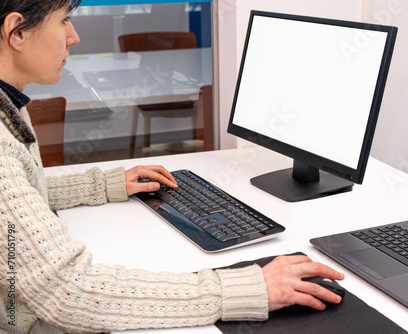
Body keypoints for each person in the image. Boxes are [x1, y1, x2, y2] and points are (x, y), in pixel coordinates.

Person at [0, 1, 345, 333]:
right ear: (17, 32)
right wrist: (244, 289)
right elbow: (70, 294)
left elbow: (19, 196)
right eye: (63, 20)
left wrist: (102, 185)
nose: (73, 36)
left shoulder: (9, 103)